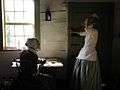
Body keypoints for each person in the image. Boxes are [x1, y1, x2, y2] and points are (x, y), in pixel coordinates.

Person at [72, 14, 102, 90]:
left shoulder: (93, 31)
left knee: (86, 76)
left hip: (88, 56)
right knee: (84, 75)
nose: (85, 24)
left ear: (91, 24)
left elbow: (81, 30)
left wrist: (74, 30)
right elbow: (82, 33)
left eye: (86, 23)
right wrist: (74, 33)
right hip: (86, 55)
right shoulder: (91, 31)